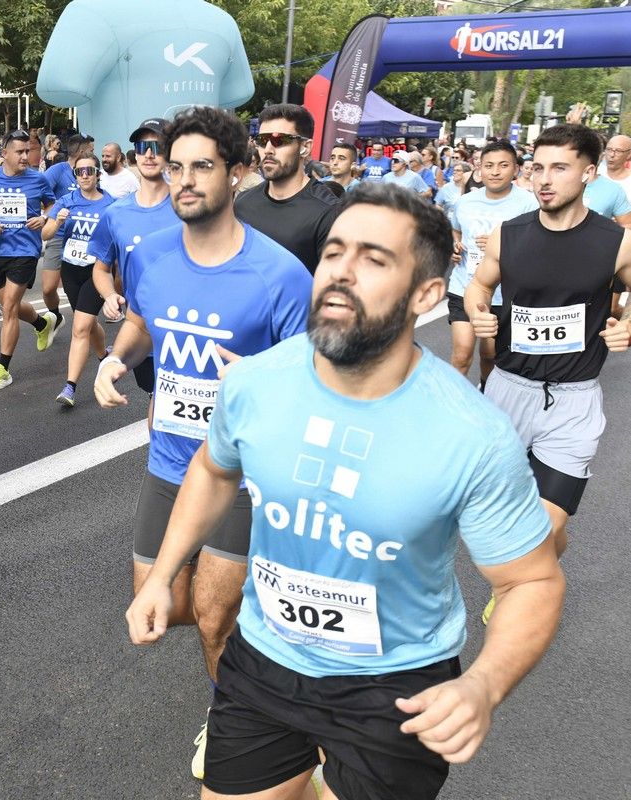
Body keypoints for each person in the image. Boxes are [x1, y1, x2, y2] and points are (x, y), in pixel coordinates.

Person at [127, 183, 565, 800]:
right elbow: (213, 469)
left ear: (427, 294)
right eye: (333, 253)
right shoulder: (254, 384)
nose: (340, 273)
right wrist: (162, 573)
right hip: (264, 659)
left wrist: (482, 686)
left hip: (395, 686)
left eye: (374, 259)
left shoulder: (473, 433)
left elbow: (531, 581)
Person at [94, 107, 312, 781]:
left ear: (237, 174)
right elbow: (140, 321)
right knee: (162, 601)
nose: (184, 180)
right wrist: (114, 358)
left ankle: (231, 717)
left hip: (240, 473)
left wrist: (255, 383)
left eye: (202, 167)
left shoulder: (279, 275)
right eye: (176, 165)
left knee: (213, 616)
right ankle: (264, 634)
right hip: (167, 463)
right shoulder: (152, 255)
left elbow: (311, 386)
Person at [467, 124, 631, 622]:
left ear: (588, 172)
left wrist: (629, 324)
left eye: (559, 168)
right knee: (501, 518)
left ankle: (523, 590)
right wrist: (478, 311)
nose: (544, 178)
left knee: (545, 522)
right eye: (538, 167)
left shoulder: (615, 242)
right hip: (508, 391)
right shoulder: (509, 234)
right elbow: (479, 285)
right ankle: (531, 574)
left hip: (574, 400)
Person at [90, 118, 180, 396]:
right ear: (135, 154)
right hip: (141, 332)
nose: (150, 154)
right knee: (156, 400)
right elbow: (101, 268)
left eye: (157, 146)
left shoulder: (186, 207)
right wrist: (108, 296)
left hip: (183, 332)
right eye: (143, 147)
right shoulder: (116, 213)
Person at [0, 129, 60, 390]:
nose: (25, 156)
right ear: (4, 153)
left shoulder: (38, 179)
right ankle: (43, 323)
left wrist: (44, 218)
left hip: (25, 250)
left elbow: (51, 205)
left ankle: (3, 369)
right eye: (19, 152)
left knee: (9, 307)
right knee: (11, 304)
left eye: (28, 151)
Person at [446, 140, 538, 387]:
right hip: (464, 286)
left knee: (489, 355)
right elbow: (456, 232)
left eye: (503, 165)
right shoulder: (466, 201)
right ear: (479, 168)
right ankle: (454, 403)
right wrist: (454, 248)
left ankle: (486, 392)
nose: (495, 171)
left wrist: (504, 246)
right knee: (462, 353)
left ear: (515, 169)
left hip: (502, 294)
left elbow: (537, 250)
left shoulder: (529, 204)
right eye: (488, 165)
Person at [40, 152, 115, 407]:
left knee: (80, 327)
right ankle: (104, 354)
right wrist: (57, 221)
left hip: (97, 272)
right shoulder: (66, 201)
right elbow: (45, 234)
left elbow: (118, 241)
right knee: (88, 323)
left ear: (97, 175)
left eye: (89, 171)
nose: (84, 175)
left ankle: (70, 387)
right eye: (79, 172)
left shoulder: (111, 205)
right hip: (71, 270)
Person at [235, 103, 340, 275]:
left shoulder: (329, 212)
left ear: (305, 147)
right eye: (262, 140)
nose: (268, 150)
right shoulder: (243, 202)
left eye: (278, 140)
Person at [40, 134, 96, 326]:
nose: (92, 153)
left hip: (83, 237)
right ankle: (56, 316)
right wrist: (48, 214)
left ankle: (85, 323)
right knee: (48, 289)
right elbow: (39, 189)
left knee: (81, 288)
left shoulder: (93, 172)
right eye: (90, 149)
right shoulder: (58, 170)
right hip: (58, 234)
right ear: (81, 150)